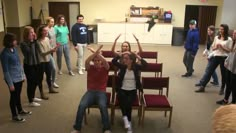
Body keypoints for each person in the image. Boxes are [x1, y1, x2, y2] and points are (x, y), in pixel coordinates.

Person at [71, 45, 111, 133]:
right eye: (95, 61)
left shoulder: (106, 68)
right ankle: (77, 128)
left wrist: (96, 52)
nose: (97, 62)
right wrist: (96, 52)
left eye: (98, 61)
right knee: (81, 105)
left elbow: (105, 61)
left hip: (101, 93)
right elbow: (87, 61)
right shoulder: (90, 68)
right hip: (90, 92)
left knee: (103, 106)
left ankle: (107, 128)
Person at [112, 51, 147, 133]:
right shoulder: (123, 67)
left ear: (131, 60)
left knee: (128, 104)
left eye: (126, 59)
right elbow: (113, 62)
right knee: (122, 100)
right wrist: (118, 56)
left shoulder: (136, 67)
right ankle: (126, 120)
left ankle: (127, 121)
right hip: (122, 89)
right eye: (124, 58)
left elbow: (146, 65)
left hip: (132, 90)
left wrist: (138, 57)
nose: (124, 60)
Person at [0, 33, 32, 122]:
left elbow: (19, 64)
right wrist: (10, 84)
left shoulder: (13, 49)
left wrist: (23, 75)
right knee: (13, 97)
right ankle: (14, 115)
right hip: (12, 79)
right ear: (9, 41)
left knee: (18, 95)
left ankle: (20, 110)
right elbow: (5, 71)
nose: (16, 41)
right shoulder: (4, 54)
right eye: (14, 40)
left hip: (19, 77)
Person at [195, 24, 232, 92]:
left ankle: (222, 88)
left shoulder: (229, 39)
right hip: (216, 56)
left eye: (222, 29)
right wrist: (216, 47)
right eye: (220, 29)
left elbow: (230, 50)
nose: (220, 30)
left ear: (226, 30)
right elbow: (213, 48)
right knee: (209, 71)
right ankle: (202, 86)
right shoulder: (217, 37)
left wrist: (222, 47)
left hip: (224, 58)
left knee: (223, 74)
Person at [20, 26, 43, 106]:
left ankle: (32, 97)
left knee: (36, 81)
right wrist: (32, 42)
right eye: (31, 32)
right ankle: (31, 101)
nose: (33, 34)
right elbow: (30, 53)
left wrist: (35, 41)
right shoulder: (23, 44)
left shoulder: (34, 41)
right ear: (27, 34)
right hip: (29, 65)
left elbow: (39, 49)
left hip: (36, 63)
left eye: (33, 32)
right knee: (31, 83)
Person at [195, 25, 220, 91]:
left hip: (214, 56)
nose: (208, 32)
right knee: (212, 69)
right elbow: (208, 47)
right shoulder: (209, 37)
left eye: (210, 30)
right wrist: (205, 51)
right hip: (210, 55)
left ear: (213, 31)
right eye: (208, 30)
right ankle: (216, 81)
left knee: (208, 70)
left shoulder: (216, 38)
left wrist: (209, 56)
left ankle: (202, 83)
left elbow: (215, 50)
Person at [37, 25, 59, 94]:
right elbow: (42, 53)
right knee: (40, 78)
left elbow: (49, 48)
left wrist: (54, 48)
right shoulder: (38, 41)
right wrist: (51, 51)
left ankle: (50, 89)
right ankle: (41, 93)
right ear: (40, 32)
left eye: (47, 30)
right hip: (41, 62)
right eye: (44, 30)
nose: (46, 32)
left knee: (49, 76)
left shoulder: (46, 39)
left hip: (48, 60)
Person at [216, 30, 236, 104]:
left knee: (234, 87)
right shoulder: (233, 43)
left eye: (235, 33)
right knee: (228, 84)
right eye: (233, 33)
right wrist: (226, 61)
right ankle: (225, 100)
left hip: (234, 70)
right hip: (229, 67)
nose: (234, 34)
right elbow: (231, 54)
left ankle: (234, 103)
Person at [46, 16, 59, 88]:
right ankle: (52, 81)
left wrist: (55, 45)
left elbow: (54, 38)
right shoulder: (46, 30)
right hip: (48, 50)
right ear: (47, 22)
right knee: (53, 67)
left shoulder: (53, 28)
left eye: (53, 22)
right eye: (51, 22)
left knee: (50, 66)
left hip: (53, 49)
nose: (53, 23)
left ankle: (51, 77)